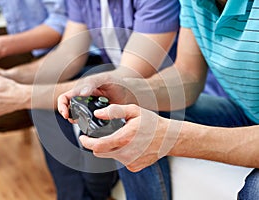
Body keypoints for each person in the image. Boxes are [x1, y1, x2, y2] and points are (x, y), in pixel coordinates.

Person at [0, 0, 183, 199]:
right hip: (111, 75)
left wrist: (22, 95)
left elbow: (129, 77)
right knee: (44, 104)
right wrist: (10, 76)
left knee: (98, 122)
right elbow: (68, 54)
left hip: (155, 88)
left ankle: (93, 191)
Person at [57, 0, 259, 198]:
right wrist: (127, 91)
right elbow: (188, 76)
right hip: (245, 112)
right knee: (129, 114)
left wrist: (174, 138)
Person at [0, 0, 66, 187]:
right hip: (21, 38)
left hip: (61, 47)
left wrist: (0, 47)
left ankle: (29, 106)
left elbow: (63, 23)